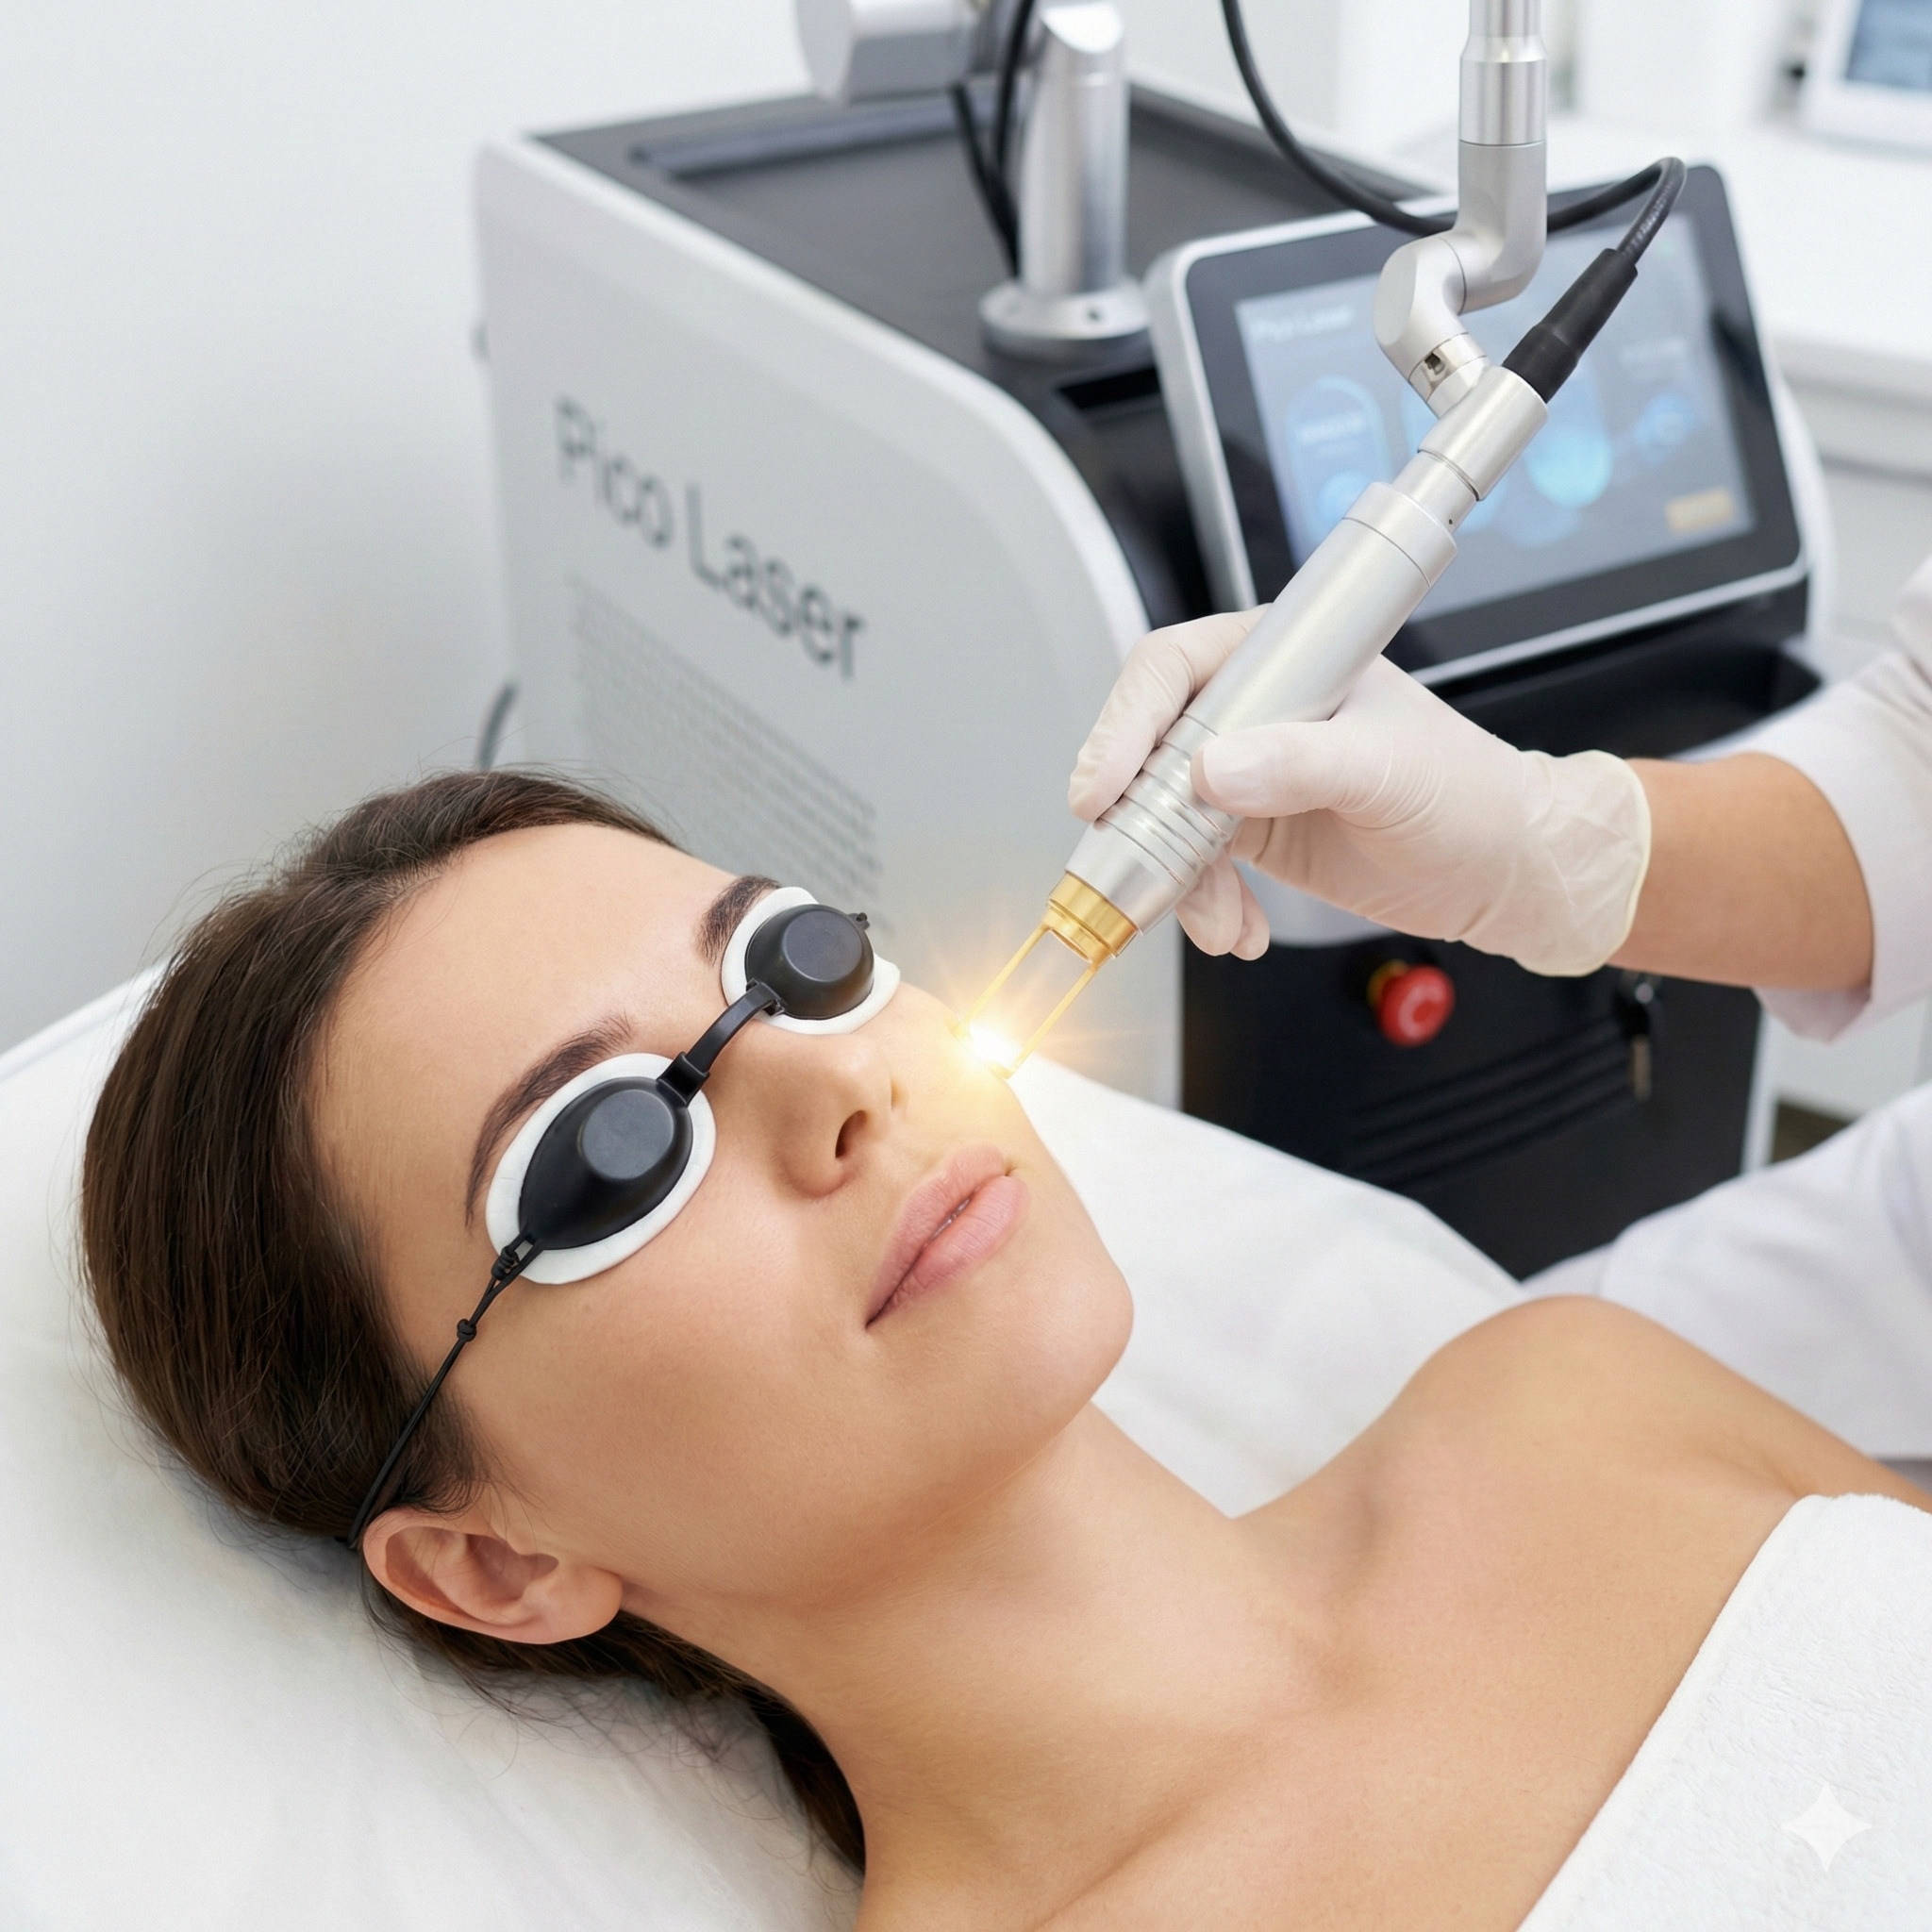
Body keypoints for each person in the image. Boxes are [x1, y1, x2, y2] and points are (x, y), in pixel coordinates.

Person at [81, 770, 1930, 1929]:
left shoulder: (1571, 1400)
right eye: (611, 1154)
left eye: (795, 961)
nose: (833, 1088)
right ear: (500, 1564)